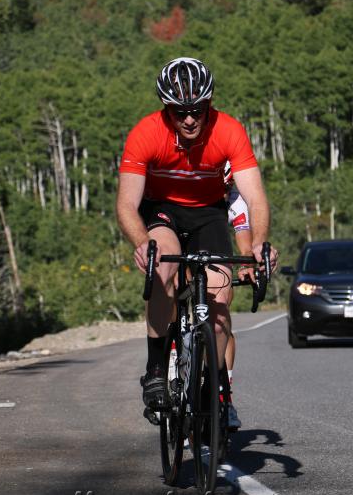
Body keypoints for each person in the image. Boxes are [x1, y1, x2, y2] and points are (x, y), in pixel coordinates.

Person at [116, 57, 278, 420]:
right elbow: (126, 204)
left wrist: (258, 243)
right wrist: (142, 242)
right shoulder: (146, 133)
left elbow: (255, 198)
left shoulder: (229, 130)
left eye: (197, 110)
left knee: (220, 292)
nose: (189, 119)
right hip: (162, 210)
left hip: (208, 213)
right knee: (162, 265)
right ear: (166, 109)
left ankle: (212, 388)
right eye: (180, 112)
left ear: (209, 104)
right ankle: (156, 370)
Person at [224, 161, 256, 430]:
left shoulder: (235, 198)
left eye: (227, 187)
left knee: (222, 315)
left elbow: (243, 237)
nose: (224, 192)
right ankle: (174, 360)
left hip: (212, 245)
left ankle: (224, 397)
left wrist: (247, 263)